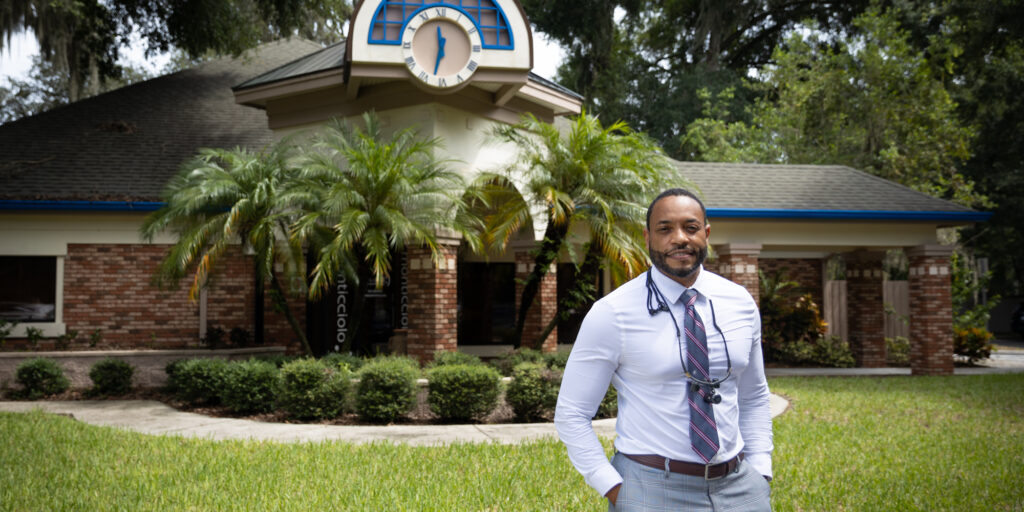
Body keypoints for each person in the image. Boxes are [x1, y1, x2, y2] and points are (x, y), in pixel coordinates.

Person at [555, 188, 773, 511]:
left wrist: (761, 468)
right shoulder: (612, 313)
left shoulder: (739, 302)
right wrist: (614, 489)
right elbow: (571, 413)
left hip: (739, 486)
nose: (680, 238)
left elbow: (753, 395)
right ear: (648, 238)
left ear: (707, 233)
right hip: (650, 488)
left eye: (691, 227)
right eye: (665, 228)